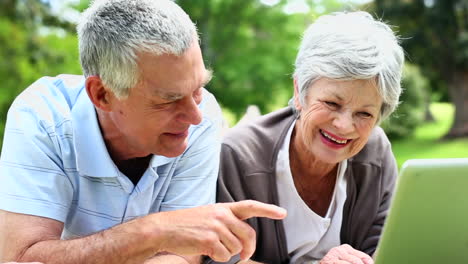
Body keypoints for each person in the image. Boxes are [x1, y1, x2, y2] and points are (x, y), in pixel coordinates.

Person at [0, 0, 286, 263]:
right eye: (168, 100)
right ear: (102, 95)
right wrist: (152, 232)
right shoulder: (42, 117)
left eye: (198, 88)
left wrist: (164, 240)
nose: (195, 116)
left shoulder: (203, 116)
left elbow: (182, 256)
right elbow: (20, 258)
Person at [212, 11, 404, 264]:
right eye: (332, 103)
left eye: (364, 113)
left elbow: (386, 247)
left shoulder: (375, 151)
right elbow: (218, 258)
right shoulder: (237, 154)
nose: (344, 126)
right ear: (300, 91)